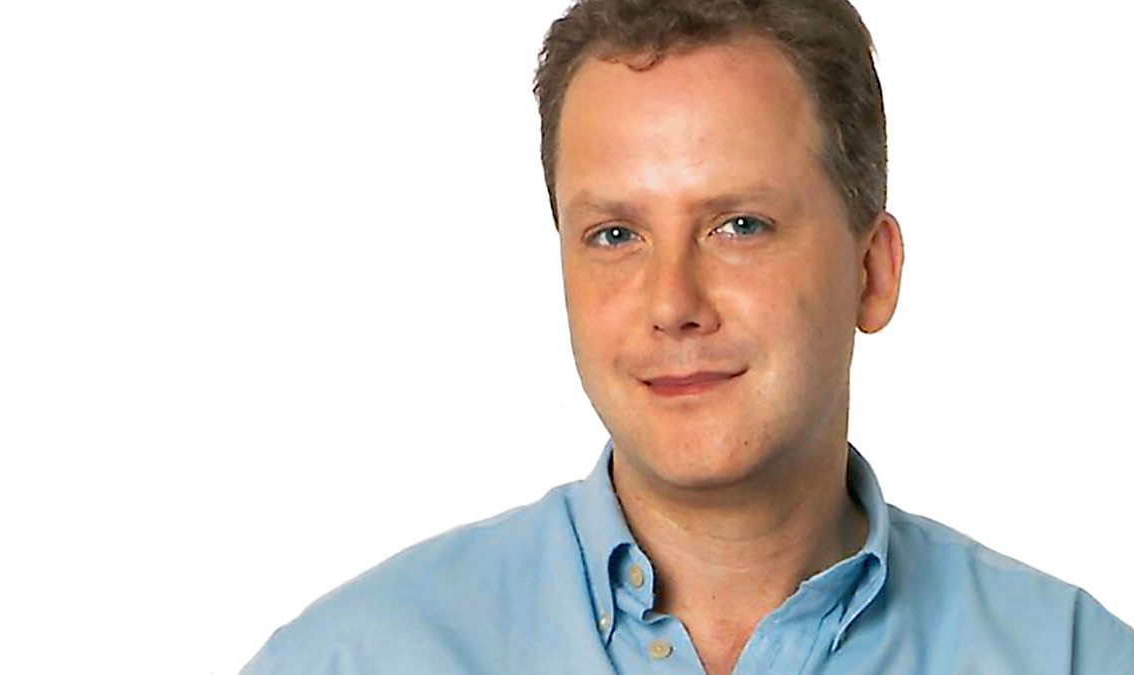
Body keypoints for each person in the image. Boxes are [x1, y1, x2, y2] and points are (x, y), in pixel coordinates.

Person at [242, 0, 1134, 672]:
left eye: (739, 225)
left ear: (873, 271)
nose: (672, 302)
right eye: (614, 234)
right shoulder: (351, 659)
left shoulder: (1071, 656)